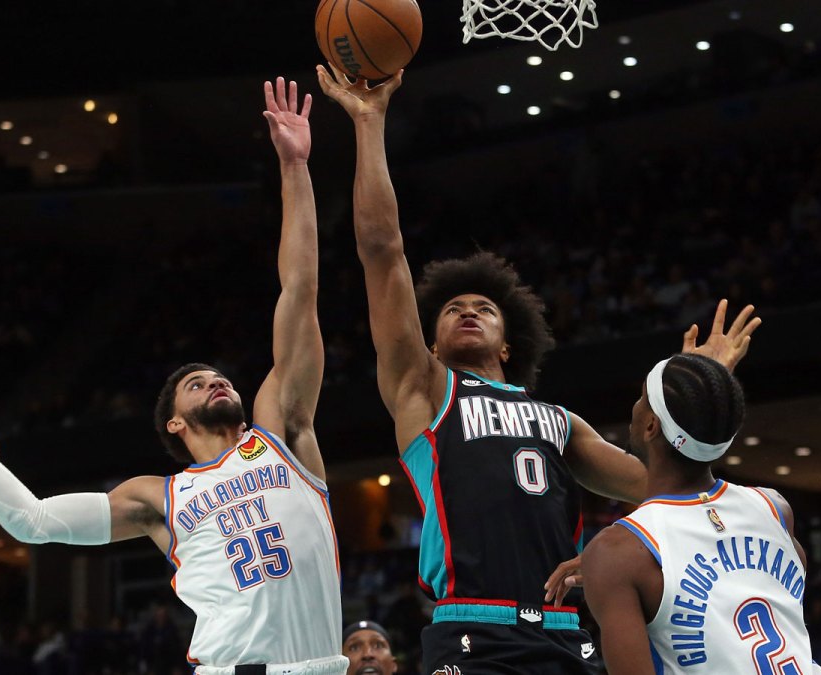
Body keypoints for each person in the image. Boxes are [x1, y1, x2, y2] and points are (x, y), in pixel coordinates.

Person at [0, 78, 348, 675]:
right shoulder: (156, 497)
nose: (216, 381)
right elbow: (32, 520)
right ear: (175, 422)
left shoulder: (281, 430)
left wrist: (294, 167)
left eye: (218, 376)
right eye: (196, 381)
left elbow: (300, 291)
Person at [316, 65, 760, 674]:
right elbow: (382, 249)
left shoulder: (557, 420)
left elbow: (661, 485)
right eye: (452, 308)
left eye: (483, 308)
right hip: (471, 625)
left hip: (563, 632)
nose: (468, 310)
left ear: (508, 346)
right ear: (434, 345)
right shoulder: (423, 388)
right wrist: (369, 123)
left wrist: (698, 394)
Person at [579, 353, 821, 674]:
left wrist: (605, 567)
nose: (636, 405)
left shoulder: (618, 551)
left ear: (651, 425)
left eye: (642, 398)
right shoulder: (774, 508)